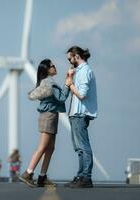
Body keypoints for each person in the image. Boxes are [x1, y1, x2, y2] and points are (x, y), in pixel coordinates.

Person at [19, 58, 73, 187]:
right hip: (48, 116)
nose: (55, 67)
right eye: (52, 65)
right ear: (47, 69)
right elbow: (61, 98)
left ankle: (42, 177)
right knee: (43, 147)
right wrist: (67, 85)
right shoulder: (49, 83)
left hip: (51, 116)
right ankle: (28, 173)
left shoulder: (45, 82)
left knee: (50, 148)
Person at [64, 46, 97, 188]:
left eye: (70, 58)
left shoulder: (85, 71)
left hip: (80, 113)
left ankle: (86, 177)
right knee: (79, 148)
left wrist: (70, 84)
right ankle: (81, 175)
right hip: (75, 113)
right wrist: (70, 77)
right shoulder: (79, 71)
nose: (69, 62)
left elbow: (82, 94)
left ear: (76, 56)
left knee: (83, 146)